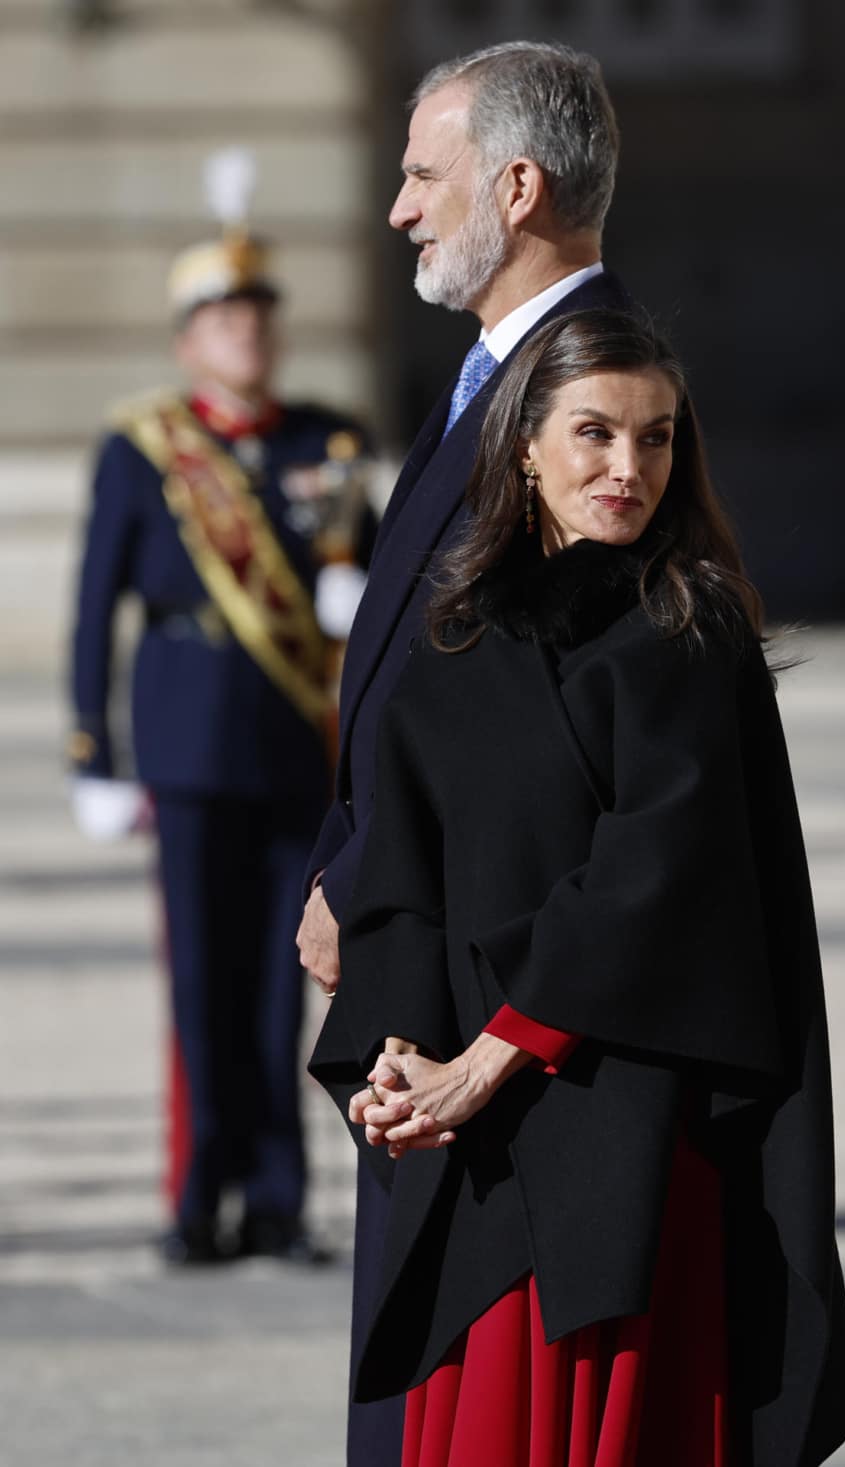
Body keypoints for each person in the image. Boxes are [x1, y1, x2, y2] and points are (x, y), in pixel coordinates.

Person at [310, 308, 845, 1467]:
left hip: (629, 1137)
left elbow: (654, 878)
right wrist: (400, 1061)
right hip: (477, 1153)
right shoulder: (455, 638)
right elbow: (404, 877)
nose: (628, 468)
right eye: (595, 433)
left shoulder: (688, 628)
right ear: (521, 443)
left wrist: (488, 1060)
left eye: (656, 438)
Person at [294, 41, 633, 1459]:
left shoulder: (593, 399)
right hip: (422, 955)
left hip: (496, 992)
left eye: (422, 175)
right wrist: (347, 870)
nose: (398, 209)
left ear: (515, 182)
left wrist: (370, 873)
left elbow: (557, 730)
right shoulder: (496, 374)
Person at [68, 162, 374, 1266]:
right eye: (222, 315)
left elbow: (364, 577)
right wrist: (94, 751)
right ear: (187, 335)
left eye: (257, 313)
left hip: (298, 745)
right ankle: (199, 1199)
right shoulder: (141, 446)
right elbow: (94, 605)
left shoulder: (325, 442)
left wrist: (363, 593)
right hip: (188, 744)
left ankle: (281, 1200)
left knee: (281, 989)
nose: (245, 331)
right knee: (200, 983)